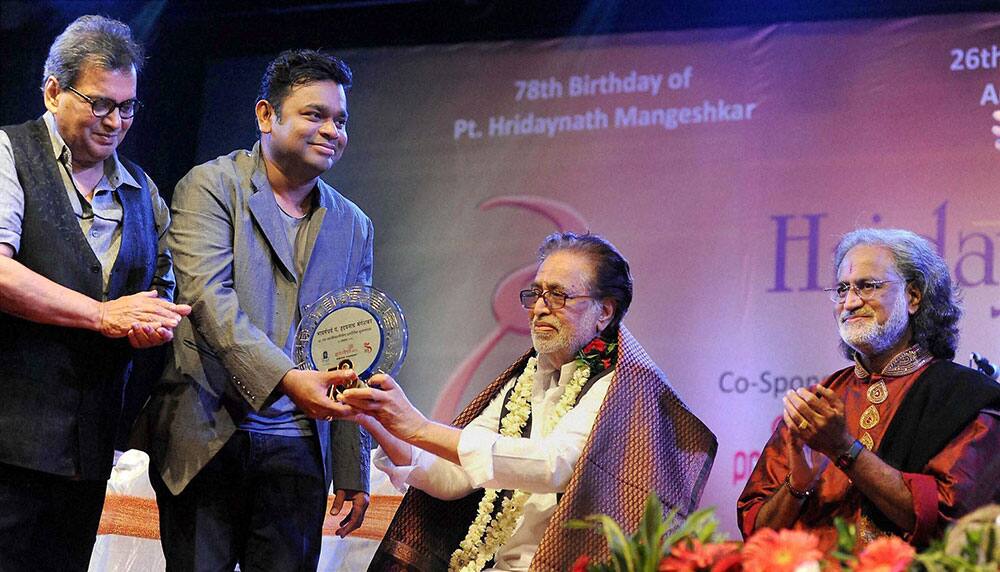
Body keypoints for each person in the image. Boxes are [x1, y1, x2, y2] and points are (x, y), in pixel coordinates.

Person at [341, 232, 717, 572]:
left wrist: (420, 427)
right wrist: (384, 424)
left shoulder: (624, 389)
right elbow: (454, 477)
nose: (539, 308)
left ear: (605, 312)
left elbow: (552, 465)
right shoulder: (525, 380)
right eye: (536, 293)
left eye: (559, 295)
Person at [132, 49, 372, 570]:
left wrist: (353, 467)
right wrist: (288, 379)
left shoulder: (354, 225)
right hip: (208, 436)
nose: (332, 130)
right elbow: (206, 302)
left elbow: (354, 344)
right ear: (267, 115)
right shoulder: (210, 186)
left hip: (299, 451)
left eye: (341, 120)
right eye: (315, 114)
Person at [0, 15, 190, 572]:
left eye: (127, 107)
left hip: (87, 451)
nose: (116, 121)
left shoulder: (140, 188)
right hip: (9, 443)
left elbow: (157, 286)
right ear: (53, 90)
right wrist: (103, 315)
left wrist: (152, 322)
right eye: (99, 103)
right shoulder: (11, 153)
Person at [738, 228, 1000, 549]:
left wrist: (843, 449)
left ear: (913, 297)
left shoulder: (967, 398)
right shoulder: (823, 397)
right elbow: (756, 535)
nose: (849, 302)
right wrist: (798, 485)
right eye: (842, 288)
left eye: (867, 286)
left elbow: (952, 522)